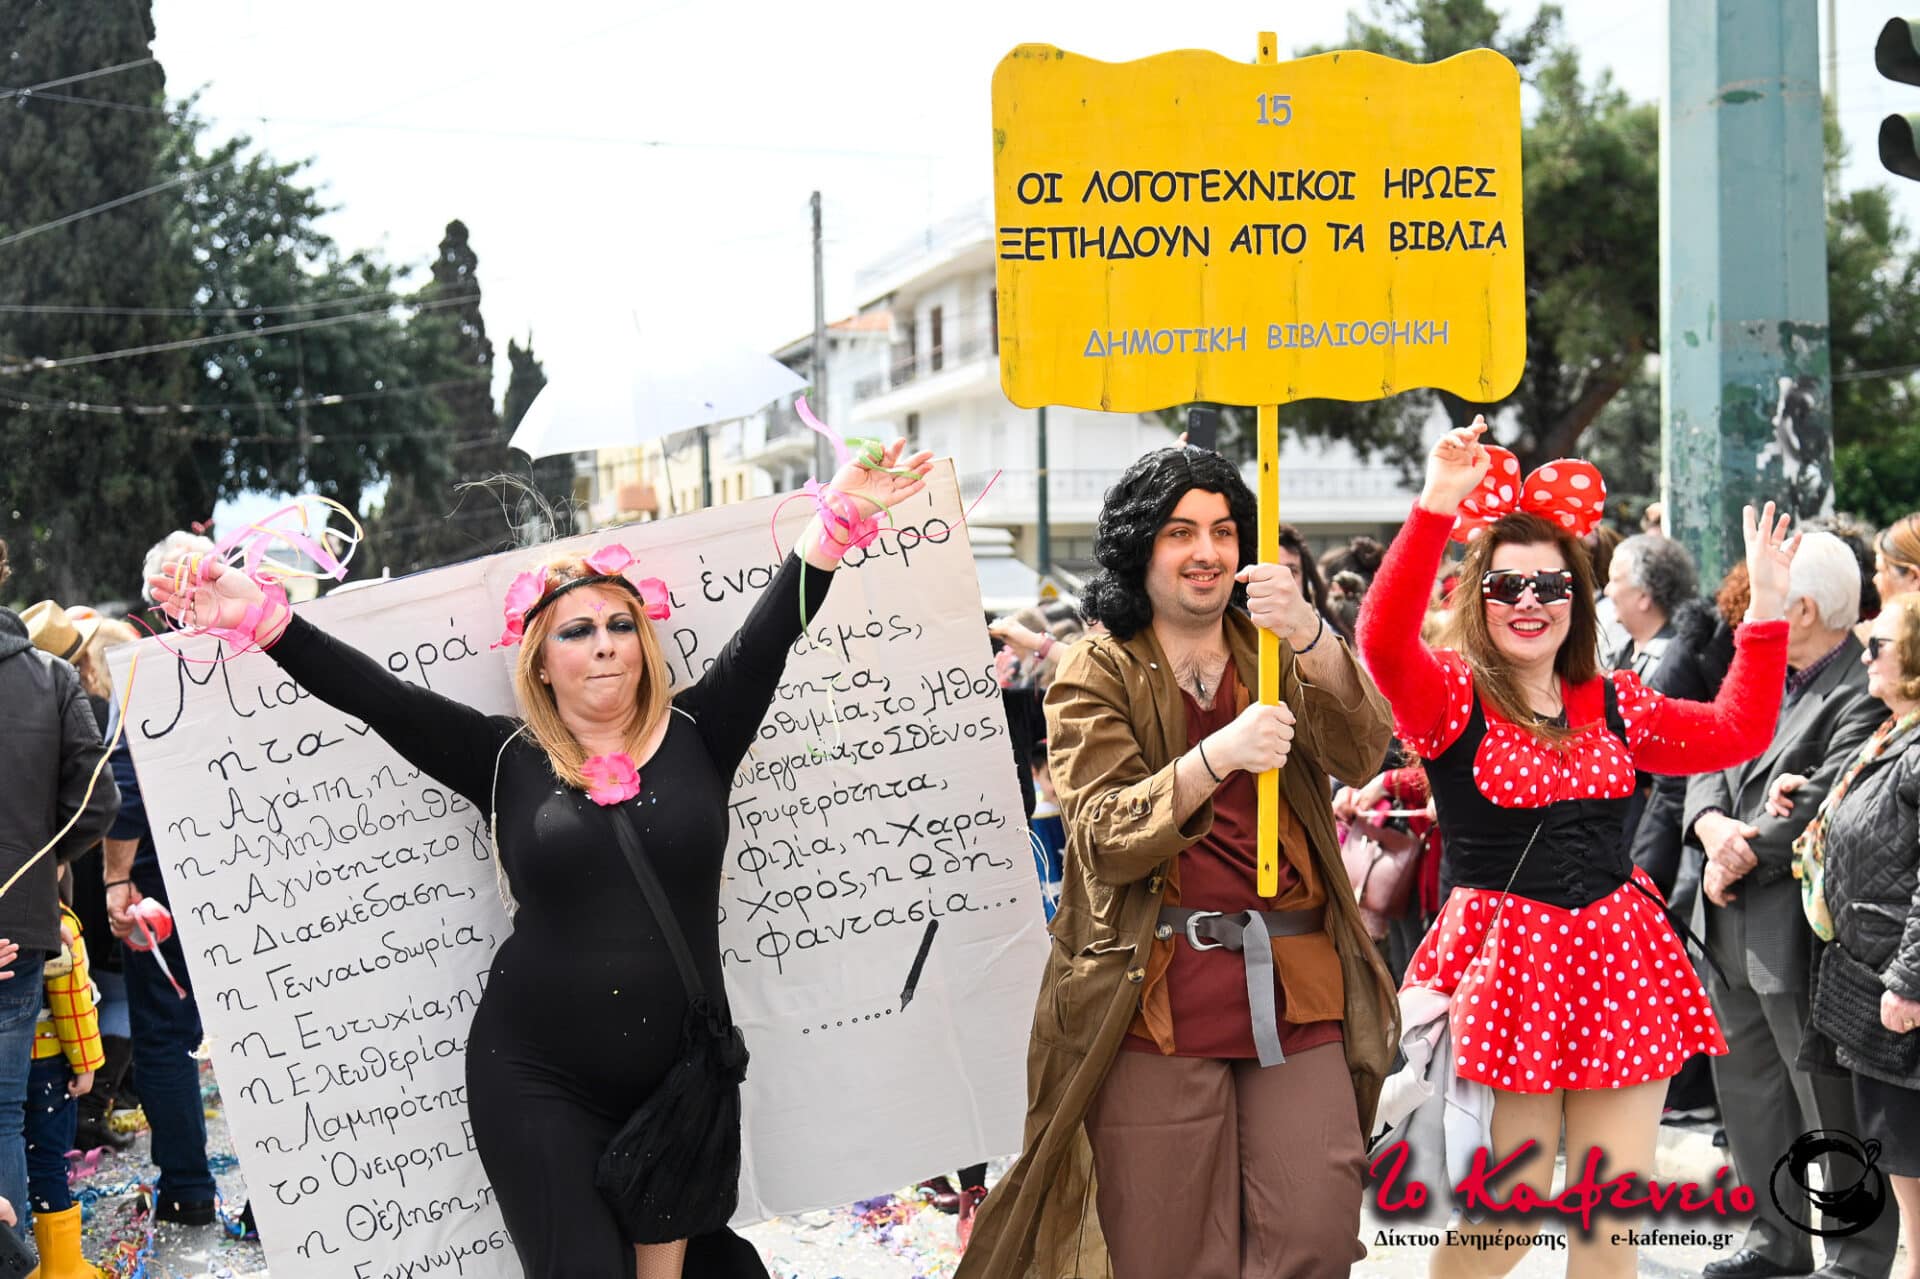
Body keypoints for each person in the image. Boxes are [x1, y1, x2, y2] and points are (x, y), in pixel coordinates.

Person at [149, 442, 930, 1279]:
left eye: (621, 625)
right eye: (578, 631)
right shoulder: (502, 758)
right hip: (537, 1080)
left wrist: (835, 524)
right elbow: (379, 698)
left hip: (678, 1088)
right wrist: (260, 619)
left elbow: (773, 631)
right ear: (542, 661)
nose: (605, 645)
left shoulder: (705, 731)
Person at [1356, 421, 1798, 1279]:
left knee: (1610, 1228)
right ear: (1478, 596)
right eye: (1506, 583)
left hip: (1619, 963)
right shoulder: (1450, 697)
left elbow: (1739, 728)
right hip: (1508, 973)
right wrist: (1436, 505)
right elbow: (1380, 641)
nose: (1529, 600)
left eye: (1550, 584)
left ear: (1577, 597)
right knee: (1508, 1221)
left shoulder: (1618, 701)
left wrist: (1768, 610)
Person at [959, 446, 1400, 1279]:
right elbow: (1103, 835)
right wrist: (1218, 755)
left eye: (1225, 531)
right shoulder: (1096, 668)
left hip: (1296, 988)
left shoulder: (1275, 648)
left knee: (1314, 1234)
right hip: (1150, 994)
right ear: (1140, 545)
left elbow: (1363, 749)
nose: (1207, 551)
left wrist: (1310, 631)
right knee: (1169, 1256)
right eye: (1181, 531)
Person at [1685, 528, 1901, 1279]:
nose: (1752, 610)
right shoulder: (1759, 671)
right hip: (1728, 921)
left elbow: (1825, 804)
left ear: (1803, 609)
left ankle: (1855, 1252)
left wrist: (1733, 849)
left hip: (1798, 929)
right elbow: (1705, 754)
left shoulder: (1862, 687)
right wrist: (1710, 828)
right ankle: (1774, 1239)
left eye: (1770, 597)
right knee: (1748, 1092)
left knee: (1825, 1101)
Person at [96, 535, 227, 1227]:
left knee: (165, 1035)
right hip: (270, 864)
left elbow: (123, 780)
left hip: (167, 878)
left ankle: (189, 1189)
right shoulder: (274, 649)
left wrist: (116, 880)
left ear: (157, 599)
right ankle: (294, 1192)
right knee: (271, 1022)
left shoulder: (152, 670)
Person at [1792, 591, 1920, 1279]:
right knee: (1904, 1161)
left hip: (1898, 985)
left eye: (1880, 644)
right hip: (1871, 976)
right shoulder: (1892, 730)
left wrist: (1910, 981)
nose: (1865, 654)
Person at [0, 538, 119, 1255]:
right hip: (20, 925)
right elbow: (95, 806)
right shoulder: (50, 678)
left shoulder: (53, 678)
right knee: (4, 1115)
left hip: (20, 927)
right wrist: (37, 864)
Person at [24, 898, 105, 1278]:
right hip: (48, 1060)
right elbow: (72, 1001)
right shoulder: (54, 919)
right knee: (47, 1160)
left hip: (14, 1060)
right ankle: (62, 1266)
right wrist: (86, 1064)